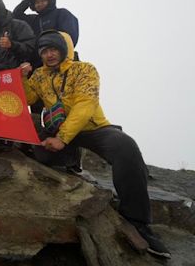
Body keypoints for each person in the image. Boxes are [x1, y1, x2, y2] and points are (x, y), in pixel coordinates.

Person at [20, 30, 170, 259]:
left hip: (93, 127)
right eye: (44, 51)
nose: (49, 55)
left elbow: (85, 105)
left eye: (53, 49)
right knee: (42, 154)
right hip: (59, 128)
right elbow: (29, 97)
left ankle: (138, 221)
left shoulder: (84, 69)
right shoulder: (40, 75)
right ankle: (71, 159)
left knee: (125, 148)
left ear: (62, 49)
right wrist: (23, 77)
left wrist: (63, 138)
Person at [13, 0, 79, 47]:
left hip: (60, 54)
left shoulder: (62, 13)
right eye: (37, 2)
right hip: (40, 56)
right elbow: (16, 15)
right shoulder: (34, 19)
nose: (39, 4)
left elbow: (69, 37)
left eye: (43, 0)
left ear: (50, 0)